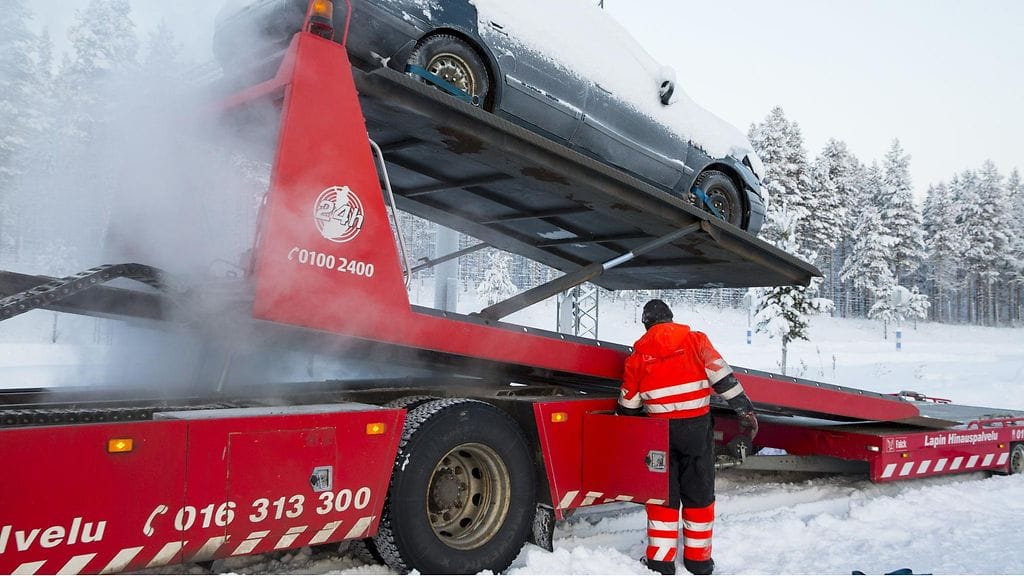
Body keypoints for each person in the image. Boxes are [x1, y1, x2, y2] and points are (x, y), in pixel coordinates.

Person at [617, 299, 758, 576]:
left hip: (660, 434)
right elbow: (722, 377)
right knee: (700, 492)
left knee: (663, 497)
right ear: (670, 318)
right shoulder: (696, 341)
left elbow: (629, 403)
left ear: (646, 324)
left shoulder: (638, 355)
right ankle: (699, 562)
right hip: (696, 429)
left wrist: (628, 426)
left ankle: (661, 562)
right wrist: (744, 410)